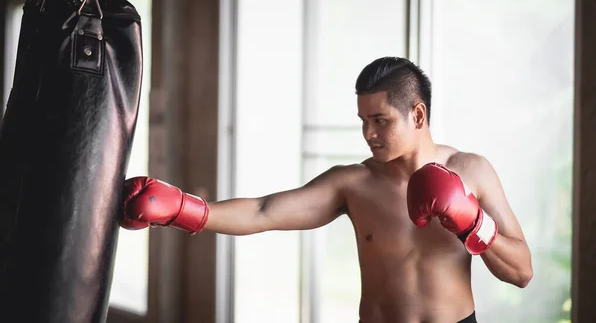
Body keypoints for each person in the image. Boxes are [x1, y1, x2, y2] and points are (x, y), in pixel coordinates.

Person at [120, 56, 533, 323]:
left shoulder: (472, 172)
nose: (368, 133)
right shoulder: (353, 183)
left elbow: (522, 272)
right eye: (362, 120)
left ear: (418, 114)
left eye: (381, 120)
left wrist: (473, 223)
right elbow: (264, 211)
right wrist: (180, 209)